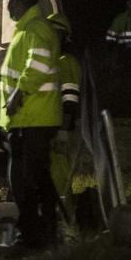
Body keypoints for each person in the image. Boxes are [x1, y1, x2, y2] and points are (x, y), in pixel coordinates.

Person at [0, 0, 64, 251]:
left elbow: (36, 67)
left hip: (34, 117)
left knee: (29, 179)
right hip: (27, 118)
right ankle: (38, 232)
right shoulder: (28, 30)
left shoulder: (36, 29)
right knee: (28, 178)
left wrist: (19, 92)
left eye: (11, 1)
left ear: (23, 0)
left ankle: (39, 233)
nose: (8, 6)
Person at [48, 13, 84, 222]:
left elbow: (70, 99)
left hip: (61, 127)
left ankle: (65, 219)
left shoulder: (66, 62)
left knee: (60, 175)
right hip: (51, 125)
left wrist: (63, 131)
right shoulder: (54, 62)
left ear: (63, 36)